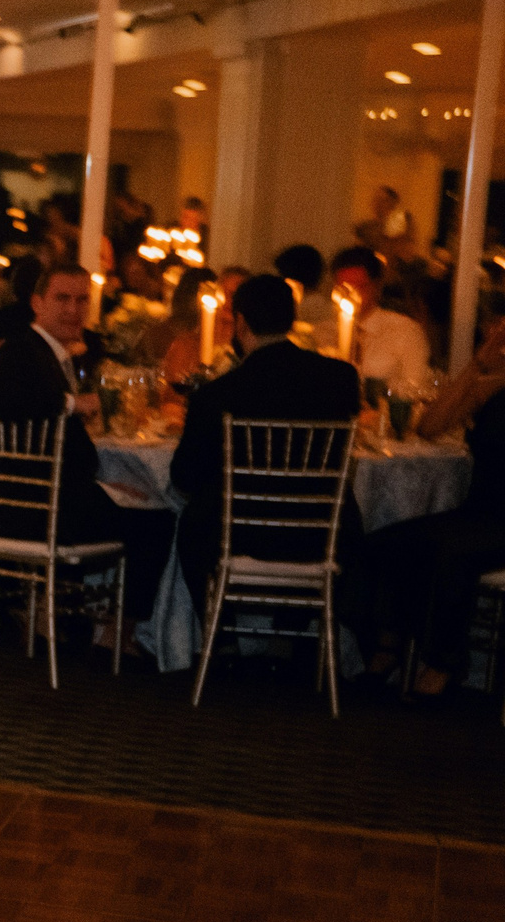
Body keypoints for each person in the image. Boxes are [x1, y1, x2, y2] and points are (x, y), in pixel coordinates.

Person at [0, 263, 174, 621]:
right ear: (38, 303)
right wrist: (73, 403)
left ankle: (73, 614)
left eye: (82, 300)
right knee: (159, 518)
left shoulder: (60, 354)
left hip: (45, 502)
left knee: (136, 499)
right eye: (62, 299)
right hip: (35, 510)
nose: (73, 309)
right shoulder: (22, 350)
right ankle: (119, 631)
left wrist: (101, 486)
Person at [171, 275, 361, 612]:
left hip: (241, 537)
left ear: (240, 323)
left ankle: (221, 643)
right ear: (291, 319)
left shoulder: (217, 393)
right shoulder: (340, 379)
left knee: (191, 522)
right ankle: (304, 641)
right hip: (323, 536)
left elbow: (184, 478)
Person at [355, 311, 505, 699]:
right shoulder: (493, 385)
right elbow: (431, 426)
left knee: (451, 555)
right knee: (384, 544)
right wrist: (478, 365)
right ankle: (387, 647)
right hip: (479, 511)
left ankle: (443, 664)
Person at [328, 246, 431, 386]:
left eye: (358, 287)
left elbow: (415, 386)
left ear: (376, 286)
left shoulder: (404, 331)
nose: (350, 296)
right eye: (343, 289)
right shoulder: (324, 332)